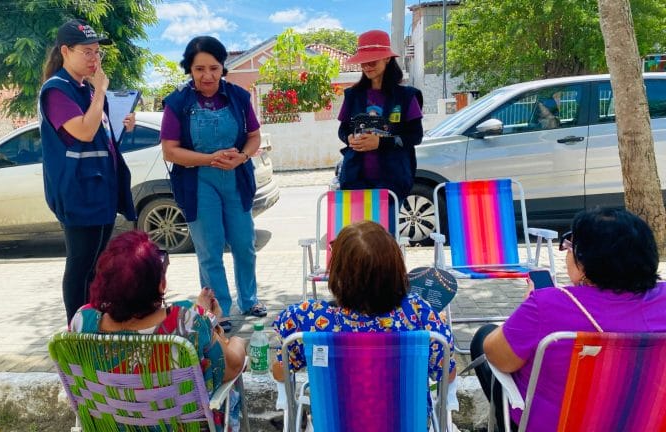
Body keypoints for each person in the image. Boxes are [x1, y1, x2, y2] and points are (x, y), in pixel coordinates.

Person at [470, 208, 666, 431]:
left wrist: (528, 309)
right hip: (644, 422)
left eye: (570, 247)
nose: (567, 253)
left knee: (484, 337)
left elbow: (499, 358)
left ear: (585, 263)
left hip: (556, 425)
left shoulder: (547, 305)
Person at [70, 230, 247, 431]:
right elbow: (231, 368)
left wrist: (205, 318)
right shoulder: (186, 323)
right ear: (161, 284)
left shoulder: (82, 321)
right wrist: (237, 341)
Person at [161, 35, 266, 333]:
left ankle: (249, 300)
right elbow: (170, 150)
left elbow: (254, 136)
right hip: (197, 182)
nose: (207, 76)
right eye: (199, 69)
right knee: (210, 250)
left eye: (213, 68)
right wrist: (208, 159)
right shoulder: (177, 102)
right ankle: (217, 310)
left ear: (223, 68)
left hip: (235, 178)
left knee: (245, 244)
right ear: (190, 70)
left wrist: (242, 156)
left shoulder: (238, 97)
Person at [271, 220, 456, 386]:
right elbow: (447, 374)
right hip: (406, 423)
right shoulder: (418, 314)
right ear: (395, 267)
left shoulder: (306, 317)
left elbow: (281, 373)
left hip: (336, 423)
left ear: (339, 271)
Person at [39, 18, 137, 324]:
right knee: (80, 265)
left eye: (98, 53)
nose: (95, 59)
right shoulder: (57, 90)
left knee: (97, 265)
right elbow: (82, 131)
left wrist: (122, 125)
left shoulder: (85, 89)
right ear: (66, 51)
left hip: (101, 188)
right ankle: (77, 329)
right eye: (88, 52)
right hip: (79, 191)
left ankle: (93, 323)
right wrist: (100, 92)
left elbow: (99, 136)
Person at [337, 30, 424, 233]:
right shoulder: (352, 95)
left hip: (392, 182)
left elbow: (415, 136)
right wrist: (348, 138)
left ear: (387, 58)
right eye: (363, 62)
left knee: (386, 240)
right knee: (360, 242)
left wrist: (381, 143)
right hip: (356, 180)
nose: (367, 66)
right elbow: (342, 130)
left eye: (372, 61)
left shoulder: (407, 96)